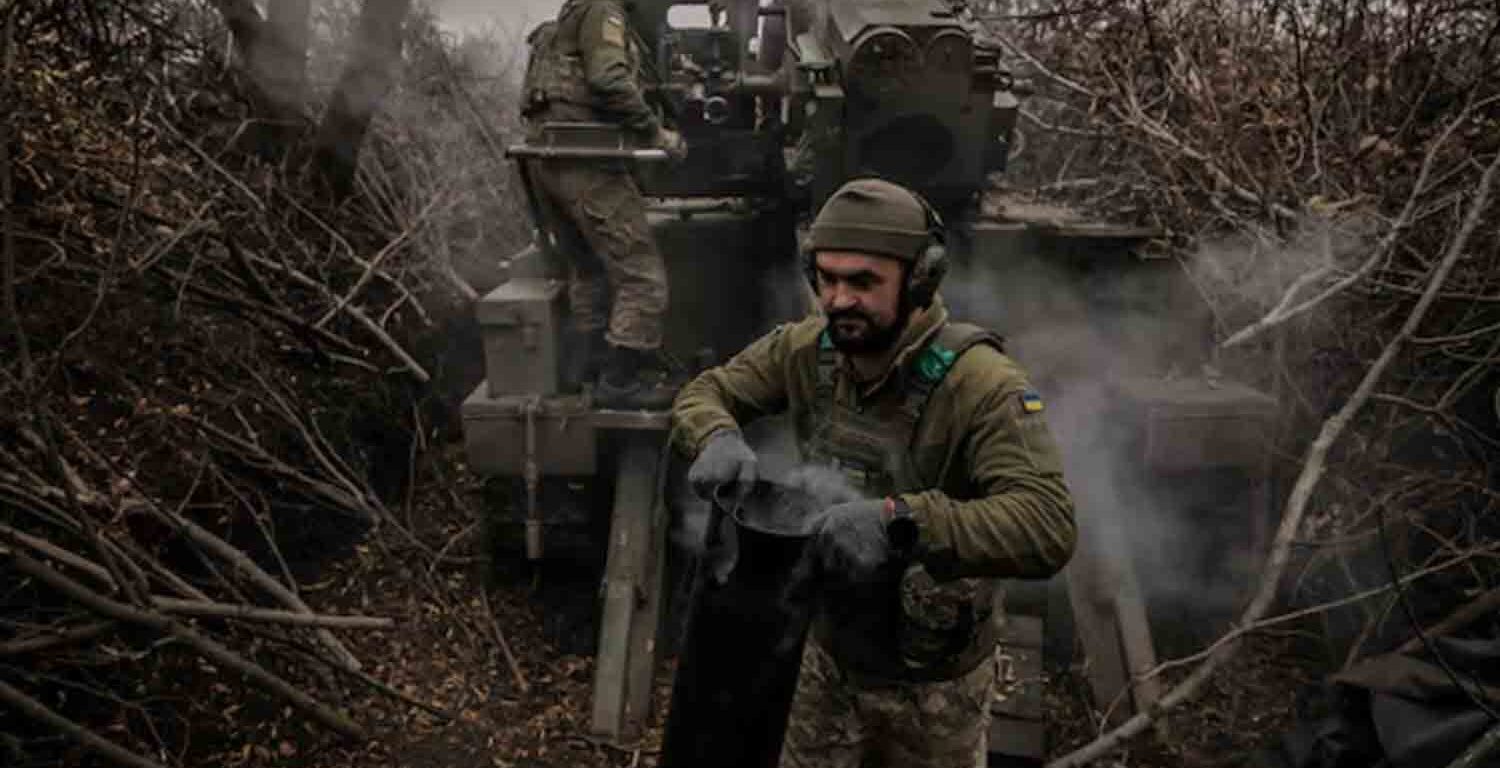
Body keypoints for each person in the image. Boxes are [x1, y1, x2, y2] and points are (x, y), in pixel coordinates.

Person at [670, 177, 1077, 766]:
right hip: (827, 658)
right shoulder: (809, 350)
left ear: (919, 280)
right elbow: (707, 393)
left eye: (862, 281)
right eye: (827, 279)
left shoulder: (983, 384)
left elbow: (1047, 526)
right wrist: (716, 434)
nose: (838, 300)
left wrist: (901, 521)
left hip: (935, 690)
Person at [519, 0, 687, 409]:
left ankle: (590, 368)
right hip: (586, 161)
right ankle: (621, 382)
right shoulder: (604, 13)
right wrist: (656, 133)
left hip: (547, 160)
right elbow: (608, 79)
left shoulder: (567, 20)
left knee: (589, 271)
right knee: (643, 278)